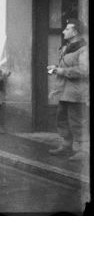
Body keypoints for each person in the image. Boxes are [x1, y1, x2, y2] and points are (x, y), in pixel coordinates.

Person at [47, 19, 89, 161]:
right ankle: (66, 145)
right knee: (62, 119)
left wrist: (61, 71)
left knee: (77, 121)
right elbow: (64, 67)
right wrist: (55, 70)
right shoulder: (66, 47)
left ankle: (84, 150)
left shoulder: (84, 49)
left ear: (75, 32)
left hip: (77, 92)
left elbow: (84, 70)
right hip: (64, 92)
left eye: (67, 29)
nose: (64, 31)